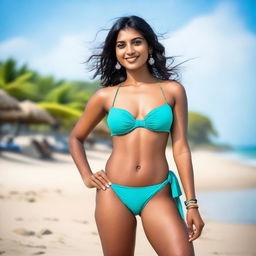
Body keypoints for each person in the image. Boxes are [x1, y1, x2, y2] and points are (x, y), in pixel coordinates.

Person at [69, 15, 205, 256]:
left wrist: (191, 203)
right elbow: (75, 138)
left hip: (158, 192)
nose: (129, 50)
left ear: (150, 46)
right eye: (121, 45)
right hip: (113, 192)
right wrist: (87, 176)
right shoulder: (105, 96)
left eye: (137, 42)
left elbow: (181, 147)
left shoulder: (172, 91)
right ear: (115, 52)